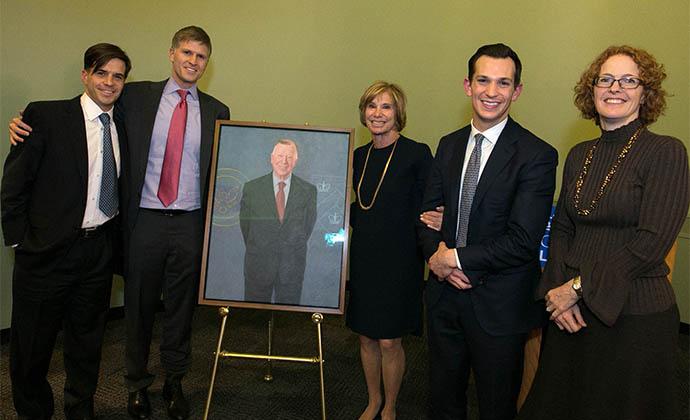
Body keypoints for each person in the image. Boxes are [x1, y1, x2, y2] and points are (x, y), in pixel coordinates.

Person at [9, 26, 230, 420]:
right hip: (142, 221)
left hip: (190, 223)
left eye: (201, 56)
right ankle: (136, 384)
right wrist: (20, 124)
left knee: (180, 309)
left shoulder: (217, 111)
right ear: (171, 53)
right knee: (138, 308)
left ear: (207, 63)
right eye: (186, 52)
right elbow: (81, 113)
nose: (193, 61)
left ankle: (175, 382)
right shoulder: (136, 96)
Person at [517, 46, 689, 420]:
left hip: (634, 316)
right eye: (606, 79)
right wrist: (555, 293)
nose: (615, 88)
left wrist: (576, 288)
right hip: (571, 314)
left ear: (646, 93)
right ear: (591, 90)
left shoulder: (666, 152)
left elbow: (651, 244)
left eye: (629, 80)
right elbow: (562, 228)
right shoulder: (580, 153)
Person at [418, 43, 558, 420]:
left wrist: (454, 257)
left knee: (496, 408)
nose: (491, 92)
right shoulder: (447, 146)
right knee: (442, 402)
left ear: (517, 91)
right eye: (483, 80)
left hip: (499, 307)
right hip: (444, 299)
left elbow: (522, 240)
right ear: (468, 85)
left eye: (503, 83)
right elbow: (426, 216)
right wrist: (438, 257)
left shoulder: (537, 155)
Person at [1, 43, 131, 420]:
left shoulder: (125, 123)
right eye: (102, 73)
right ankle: (33, 412)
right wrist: (20, 242)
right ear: (85, 75)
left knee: (87, 344)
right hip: (45, 254)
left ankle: (81, 410)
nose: (109, 82)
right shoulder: (45, 116)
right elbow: (13, 186)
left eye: (118, 76)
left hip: (98, 253)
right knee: (31, 349)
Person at [345, 81, 433, 420]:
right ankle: (373, 400)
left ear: (398, 114)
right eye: (371, 106)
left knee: (389, 341)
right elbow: (360, 206)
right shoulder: (358, 156)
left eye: (386, 107)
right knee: (366, 336)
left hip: (400, 260)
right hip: (365, 256)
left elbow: (431, 207)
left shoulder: (417, 153)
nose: (377, 113)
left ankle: (391, 406)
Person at [239, 139, 317, 305]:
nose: (284, 161)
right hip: (258, 264)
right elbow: (246, 227)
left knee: (288, 324)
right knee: (252, 323)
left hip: (292, 266)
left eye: (289, 157)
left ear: (295, 161)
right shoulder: (252, 188)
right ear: (271, 158)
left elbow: (307, 228)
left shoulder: (308, 191)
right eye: (280, 156)